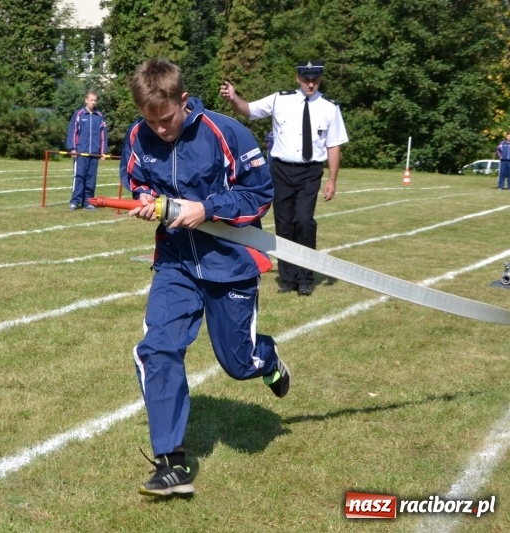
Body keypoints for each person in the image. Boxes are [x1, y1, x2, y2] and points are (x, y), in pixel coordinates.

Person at [120, 58, 290, 498]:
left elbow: (259, 194)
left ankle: (266, 359)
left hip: (228, 262)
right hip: (174, 262)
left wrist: (207, 208)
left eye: (167, 118)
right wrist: (144, 199)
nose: (159, 128)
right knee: (156, 348)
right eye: (150, 120)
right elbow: (136, 176)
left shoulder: (225, 132)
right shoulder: (138, 135)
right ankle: (171, 462)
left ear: (183, 100)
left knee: (238, 364)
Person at [220, 60, 349, 296]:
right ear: (298, 78)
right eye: (306, 79)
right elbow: (249, 110)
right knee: (285, 222)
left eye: (315, 79)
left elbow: (334, 145)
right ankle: (288, 278)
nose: (310, 84)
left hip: (310, 171)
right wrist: (234, 97)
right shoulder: (281, 99)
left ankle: (306, 276)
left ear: (320, 79)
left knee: (304, 221)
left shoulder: (330, 107)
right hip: (280, 170)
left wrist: (332, 180)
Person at [66, 90, 107, 210]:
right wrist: (73, 148)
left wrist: (103, 151)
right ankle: (75, 201)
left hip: (94, 154)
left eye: (95, 100)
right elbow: (73, 131)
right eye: (91, 100)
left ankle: (88, 202)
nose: (93, 102)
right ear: (86, 100)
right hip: (80, 153)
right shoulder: (79, 114)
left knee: (91, 179)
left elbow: (103, 135)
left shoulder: (99, 116)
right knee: (79, 177)